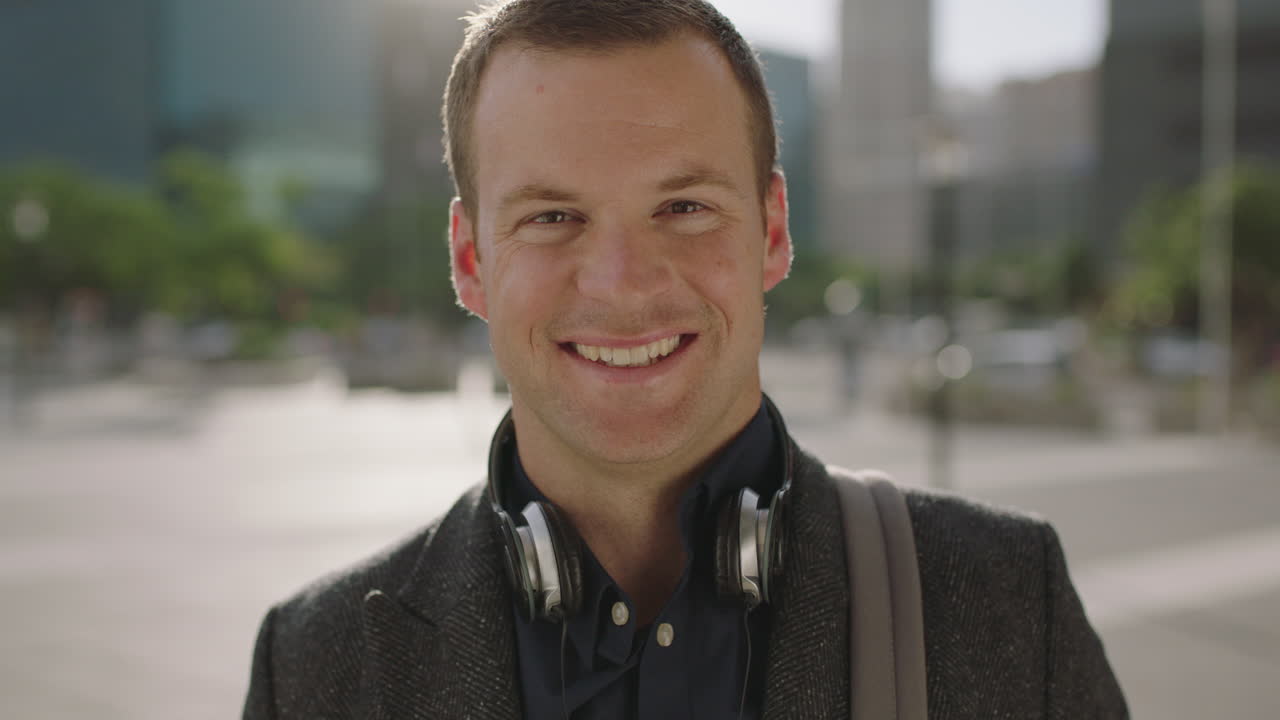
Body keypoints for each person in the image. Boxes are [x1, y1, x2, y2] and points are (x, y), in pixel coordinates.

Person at [242, 1, 1128, 718]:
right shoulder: (316, 666)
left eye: (684, 207)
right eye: (552, 217)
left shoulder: (1010, 599)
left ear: (772, 231)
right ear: (471, 261)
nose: (624, 285)